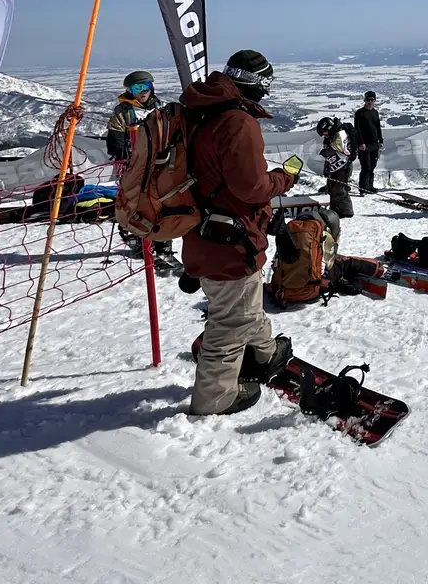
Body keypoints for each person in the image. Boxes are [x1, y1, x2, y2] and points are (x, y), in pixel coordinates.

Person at [182, 50, 299, 416]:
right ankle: (215, 399)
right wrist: (285, 178)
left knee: (242, 301)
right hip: (230, 237)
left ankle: (265, 353)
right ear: (260, 83)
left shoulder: (201, 110)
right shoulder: (237, 122)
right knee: (230, 320)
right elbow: (251, 187)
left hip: (204, 230)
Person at [106, 70, 182, 274]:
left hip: (158, 164)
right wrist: (124, 157)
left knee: (163, 202)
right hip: (134, 167)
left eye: (145, 87)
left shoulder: (159, 108)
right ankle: (138, 240)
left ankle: (163, 247)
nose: (142, 92)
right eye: (136, 89)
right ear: (129, 91)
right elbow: (115, 142)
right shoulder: (123, 113)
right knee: (135, 204)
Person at [316, 117, 355, 217]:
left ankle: (346, 211)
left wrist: (324, 152)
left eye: (325, 133)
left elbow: (334, 150)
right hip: (336, 166)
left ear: (329, 128)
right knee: (332, 188)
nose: (325, 135)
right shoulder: (333, 134)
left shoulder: (340, 134)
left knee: (339, 190)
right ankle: (335, 209)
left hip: (343, 166)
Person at [353, 91, 383, 194]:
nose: (370, 102)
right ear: (365, 100)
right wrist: (361, 143)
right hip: (364, 144)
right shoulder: (359, 113)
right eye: (368, 100)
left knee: (373, 166)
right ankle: (363, 188)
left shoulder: (375, 112)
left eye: (372, 100)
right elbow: (357, 129)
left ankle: (370, 186)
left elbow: (378, 127)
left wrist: (381, 140)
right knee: (366, 166)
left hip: (375, 143)